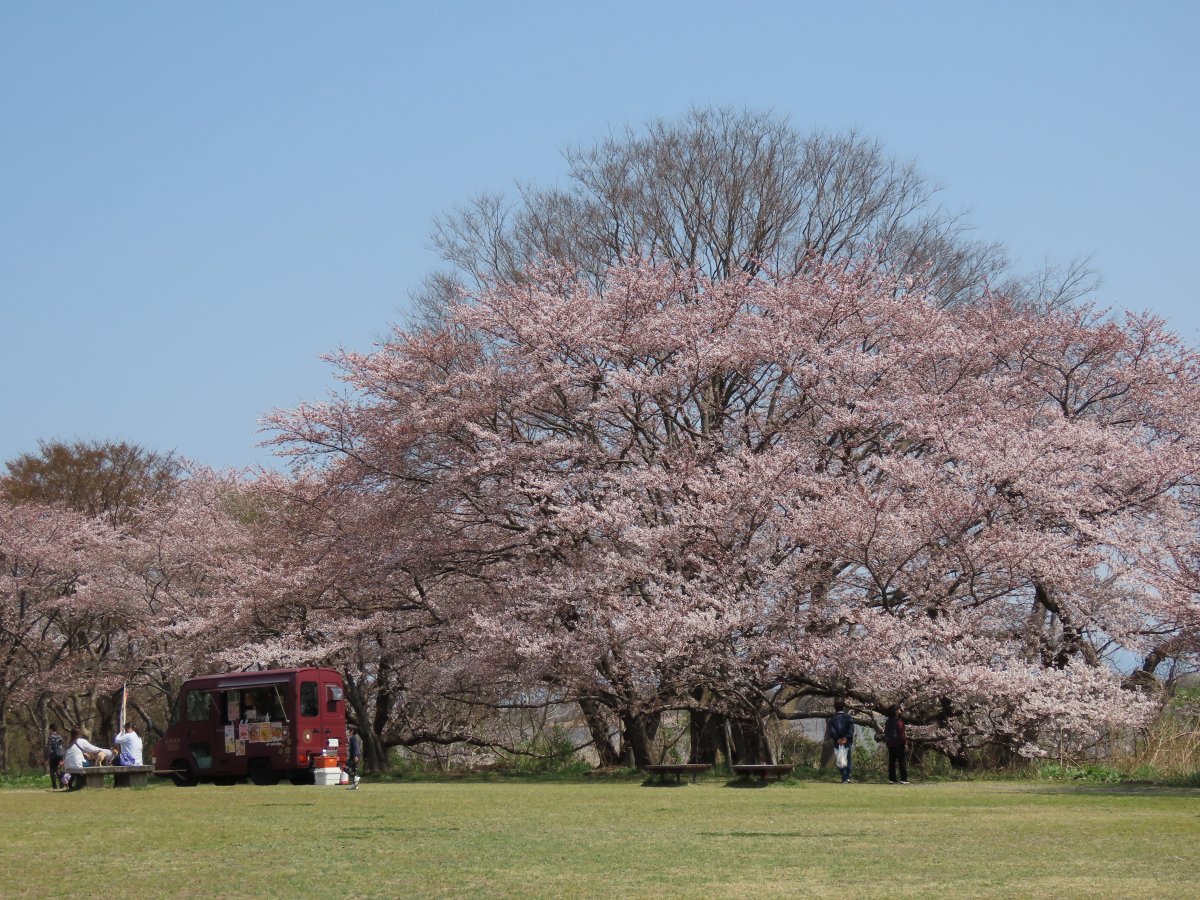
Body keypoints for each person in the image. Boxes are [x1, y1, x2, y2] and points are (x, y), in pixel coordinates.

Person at [828, 700, 855, 783]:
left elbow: (832, 731)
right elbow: (851, 730)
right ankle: (848, 776)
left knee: (840, 758)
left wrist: (837, 739)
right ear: (843, 708)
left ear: (835, 709)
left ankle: (844, 777)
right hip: (847, 741)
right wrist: (846, 738)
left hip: (838, 742)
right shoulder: (849, 718)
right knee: (848, 758)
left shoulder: (832, 720)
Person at [884, 704, 909, 784]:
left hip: (890, 743)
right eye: (899, 709)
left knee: (892, 762)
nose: (900, 711)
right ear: (896, 711)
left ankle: (892, 779)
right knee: (902, 761)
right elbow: (901, 734)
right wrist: (905, 743)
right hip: (899, 743)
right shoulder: (899, 721)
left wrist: (887, 742)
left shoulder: (888, 721)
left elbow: (886, 732)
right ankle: (904, 779)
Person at [46, 724, 66, 789]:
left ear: (51, 729)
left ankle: (54, 786)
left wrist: (47, 757)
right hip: (60, 755)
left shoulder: (50, 737)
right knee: (58, 770)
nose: (49, 730)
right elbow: (61, 746)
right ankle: (62, 783)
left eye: (49, 729)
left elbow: (49, 748)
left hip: (53, 756)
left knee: (52, 771)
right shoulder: (60, 736)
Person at [345, 723, 363, 790]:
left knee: (345, 767)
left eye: (347, 730)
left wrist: (355, 756)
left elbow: (356, 747)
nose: (346, 731)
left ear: (351, 731)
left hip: (355, 756)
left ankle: (355, 777)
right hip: (355, 756)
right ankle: (354, 785)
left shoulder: (353, 738)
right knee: (353, 770)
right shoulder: (354, 737)